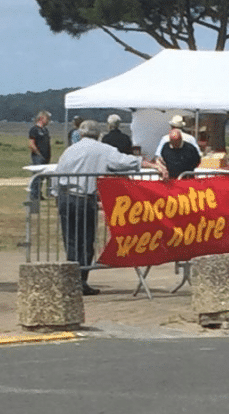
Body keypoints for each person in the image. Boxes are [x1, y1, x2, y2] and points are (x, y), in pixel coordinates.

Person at [54, 120, 167, 295]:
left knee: (71, 241)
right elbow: (126, 162)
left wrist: (56, 195)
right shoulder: (103, 149)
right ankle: (80, 281)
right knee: (85, 242)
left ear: (81, 134)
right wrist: (151, 165)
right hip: (84, 198)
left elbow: (58, 173)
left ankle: (72, 280)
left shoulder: (70, 150)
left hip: (65, 196)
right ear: (98, 134)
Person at [28, 110, 51, 200]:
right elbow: (31, 144)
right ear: (41, 118)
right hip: (38, 156)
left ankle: (39, 193)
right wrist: (38, 153)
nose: (48, 121)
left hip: (46, 156)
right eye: (47, 119)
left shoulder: (45, 130)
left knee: (42, 177)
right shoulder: (34, 129)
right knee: (37, 176)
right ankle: (34, 194)